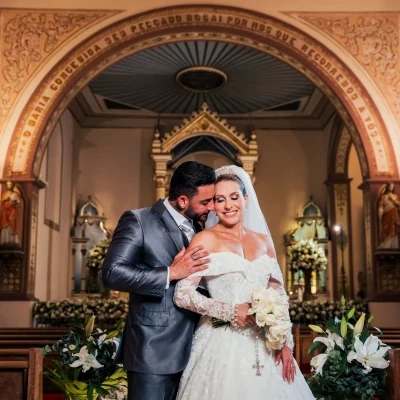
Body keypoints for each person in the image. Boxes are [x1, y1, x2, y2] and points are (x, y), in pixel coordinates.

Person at [174, 165, 314, 399]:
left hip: (265, 342)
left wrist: (286, 343)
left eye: (234, 197)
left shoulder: (264, 241)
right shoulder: (205, 239)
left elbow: (278, 295)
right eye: (220, 199)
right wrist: (230, 311)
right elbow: (182, 294)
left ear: (245, 198)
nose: (228, 205)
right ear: (213, 205)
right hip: (220, 341)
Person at [102, 161, 216, 400]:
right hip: (153, 350)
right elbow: (112, 273)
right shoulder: (138, 220)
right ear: (183, 200)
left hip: (198, 350)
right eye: (206, 202)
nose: (212, 207)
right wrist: (170, 273)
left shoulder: (201, 228)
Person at [378, 182, 400, 249]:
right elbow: (381, 206)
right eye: (390, 186)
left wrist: (395, 202)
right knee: (386, 229)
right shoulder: (383, 197)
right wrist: (380, 212)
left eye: (392, 187)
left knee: (394, 228)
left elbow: (398, 205)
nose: (391, 188)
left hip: (394, 213)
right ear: (387, 187)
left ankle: (394, 245)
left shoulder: (395, 196)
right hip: (386, 215)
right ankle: (386, 244)